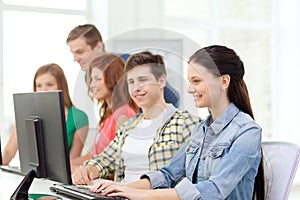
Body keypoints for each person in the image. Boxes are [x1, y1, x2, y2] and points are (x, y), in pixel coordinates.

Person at [90, 45, 265, 200]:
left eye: (196, 81)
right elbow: (167, 175)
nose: (190, 89)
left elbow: (214, 189)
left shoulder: (247, 131)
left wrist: (140, 195)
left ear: (223, 81)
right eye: (190, 82)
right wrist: (121, 188)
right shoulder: (201, 130)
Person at [71, 51, 199, 185]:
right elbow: (104, 160)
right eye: (131, 82)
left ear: (161, 81)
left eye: (143, 80)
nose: (136, 88)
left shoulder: (185, 123)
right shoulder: (128, 127)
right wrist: (88, 170)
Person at [66, 23, 180, 108]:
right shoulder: (88, 76)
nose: (75, 59)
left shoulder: (126, 62)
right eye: (73, 53)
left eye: (80, 52)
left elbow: (172, 97)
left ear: (99, 46)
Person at [1, 64, 89, 165]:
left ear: (61, 85)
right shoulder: (26, 114)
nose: (43, 90)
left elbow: (71, 162)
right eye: (39, 85)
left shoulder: (78, 117)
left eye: (50, 84)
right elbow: (8, 152)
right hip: (29, 174)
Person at [70, 53, 139, 168]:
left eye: (98, 79)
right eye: (91, 79)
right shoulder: (108, 115)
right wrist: (66, 165)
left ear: (114, 79)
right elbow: (90, 157)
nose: (92, 85)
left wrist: (81, 170)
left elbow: (119, 166)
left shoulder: (124, 114)